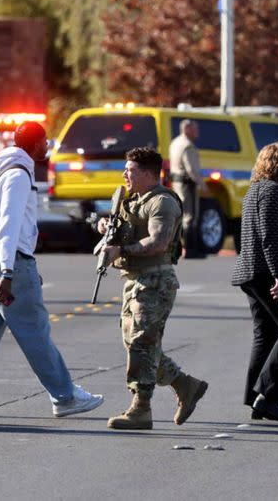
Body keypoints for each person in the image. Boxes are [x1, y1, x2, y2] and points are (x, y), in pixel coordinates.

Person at [0, 122, 103, 418]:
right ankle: (65, 396)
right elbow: (9, 225)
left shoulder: (5, 169)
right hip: (9, 264)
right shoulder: (18, 175)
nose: (47, 147)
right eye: (45, 142)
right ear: (35, 144)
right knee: (35, 330)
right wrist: (8, 272)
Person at [97, 147, 208, 430]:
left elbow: (158, 242)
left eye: (131, 170)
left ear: (148, 174)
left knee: (141, 343)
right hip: (134, 279)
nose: (125, 174)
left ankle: (141, 408)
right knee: (137, 342)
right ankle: (185, 385)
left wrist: (122, 249)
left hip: (155, 280)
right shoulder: (132, 200)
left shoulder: (162, 203)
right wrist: (106, 227)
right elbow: (127, 228)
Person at [231, 143, 278, 422]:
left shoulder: (255, 191)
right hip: (269, 273)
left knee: (266, 332)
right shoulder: (272, 192)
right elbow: (270, 236)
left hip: (253, 272)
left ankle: (256, 396)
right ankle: (270, 396)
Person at [168, 119, 205, 258]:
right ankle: (191, 250)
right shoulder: (187, 146)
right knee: (191, 216)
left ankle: (179, 248)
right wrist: (203, 185)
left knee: (181, 216)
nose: (197, 132)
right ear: (187, 129)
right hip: (187, 185)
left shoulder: (175, 143)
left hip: (177, 184)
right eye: (195, 129)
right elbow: (192, 169)